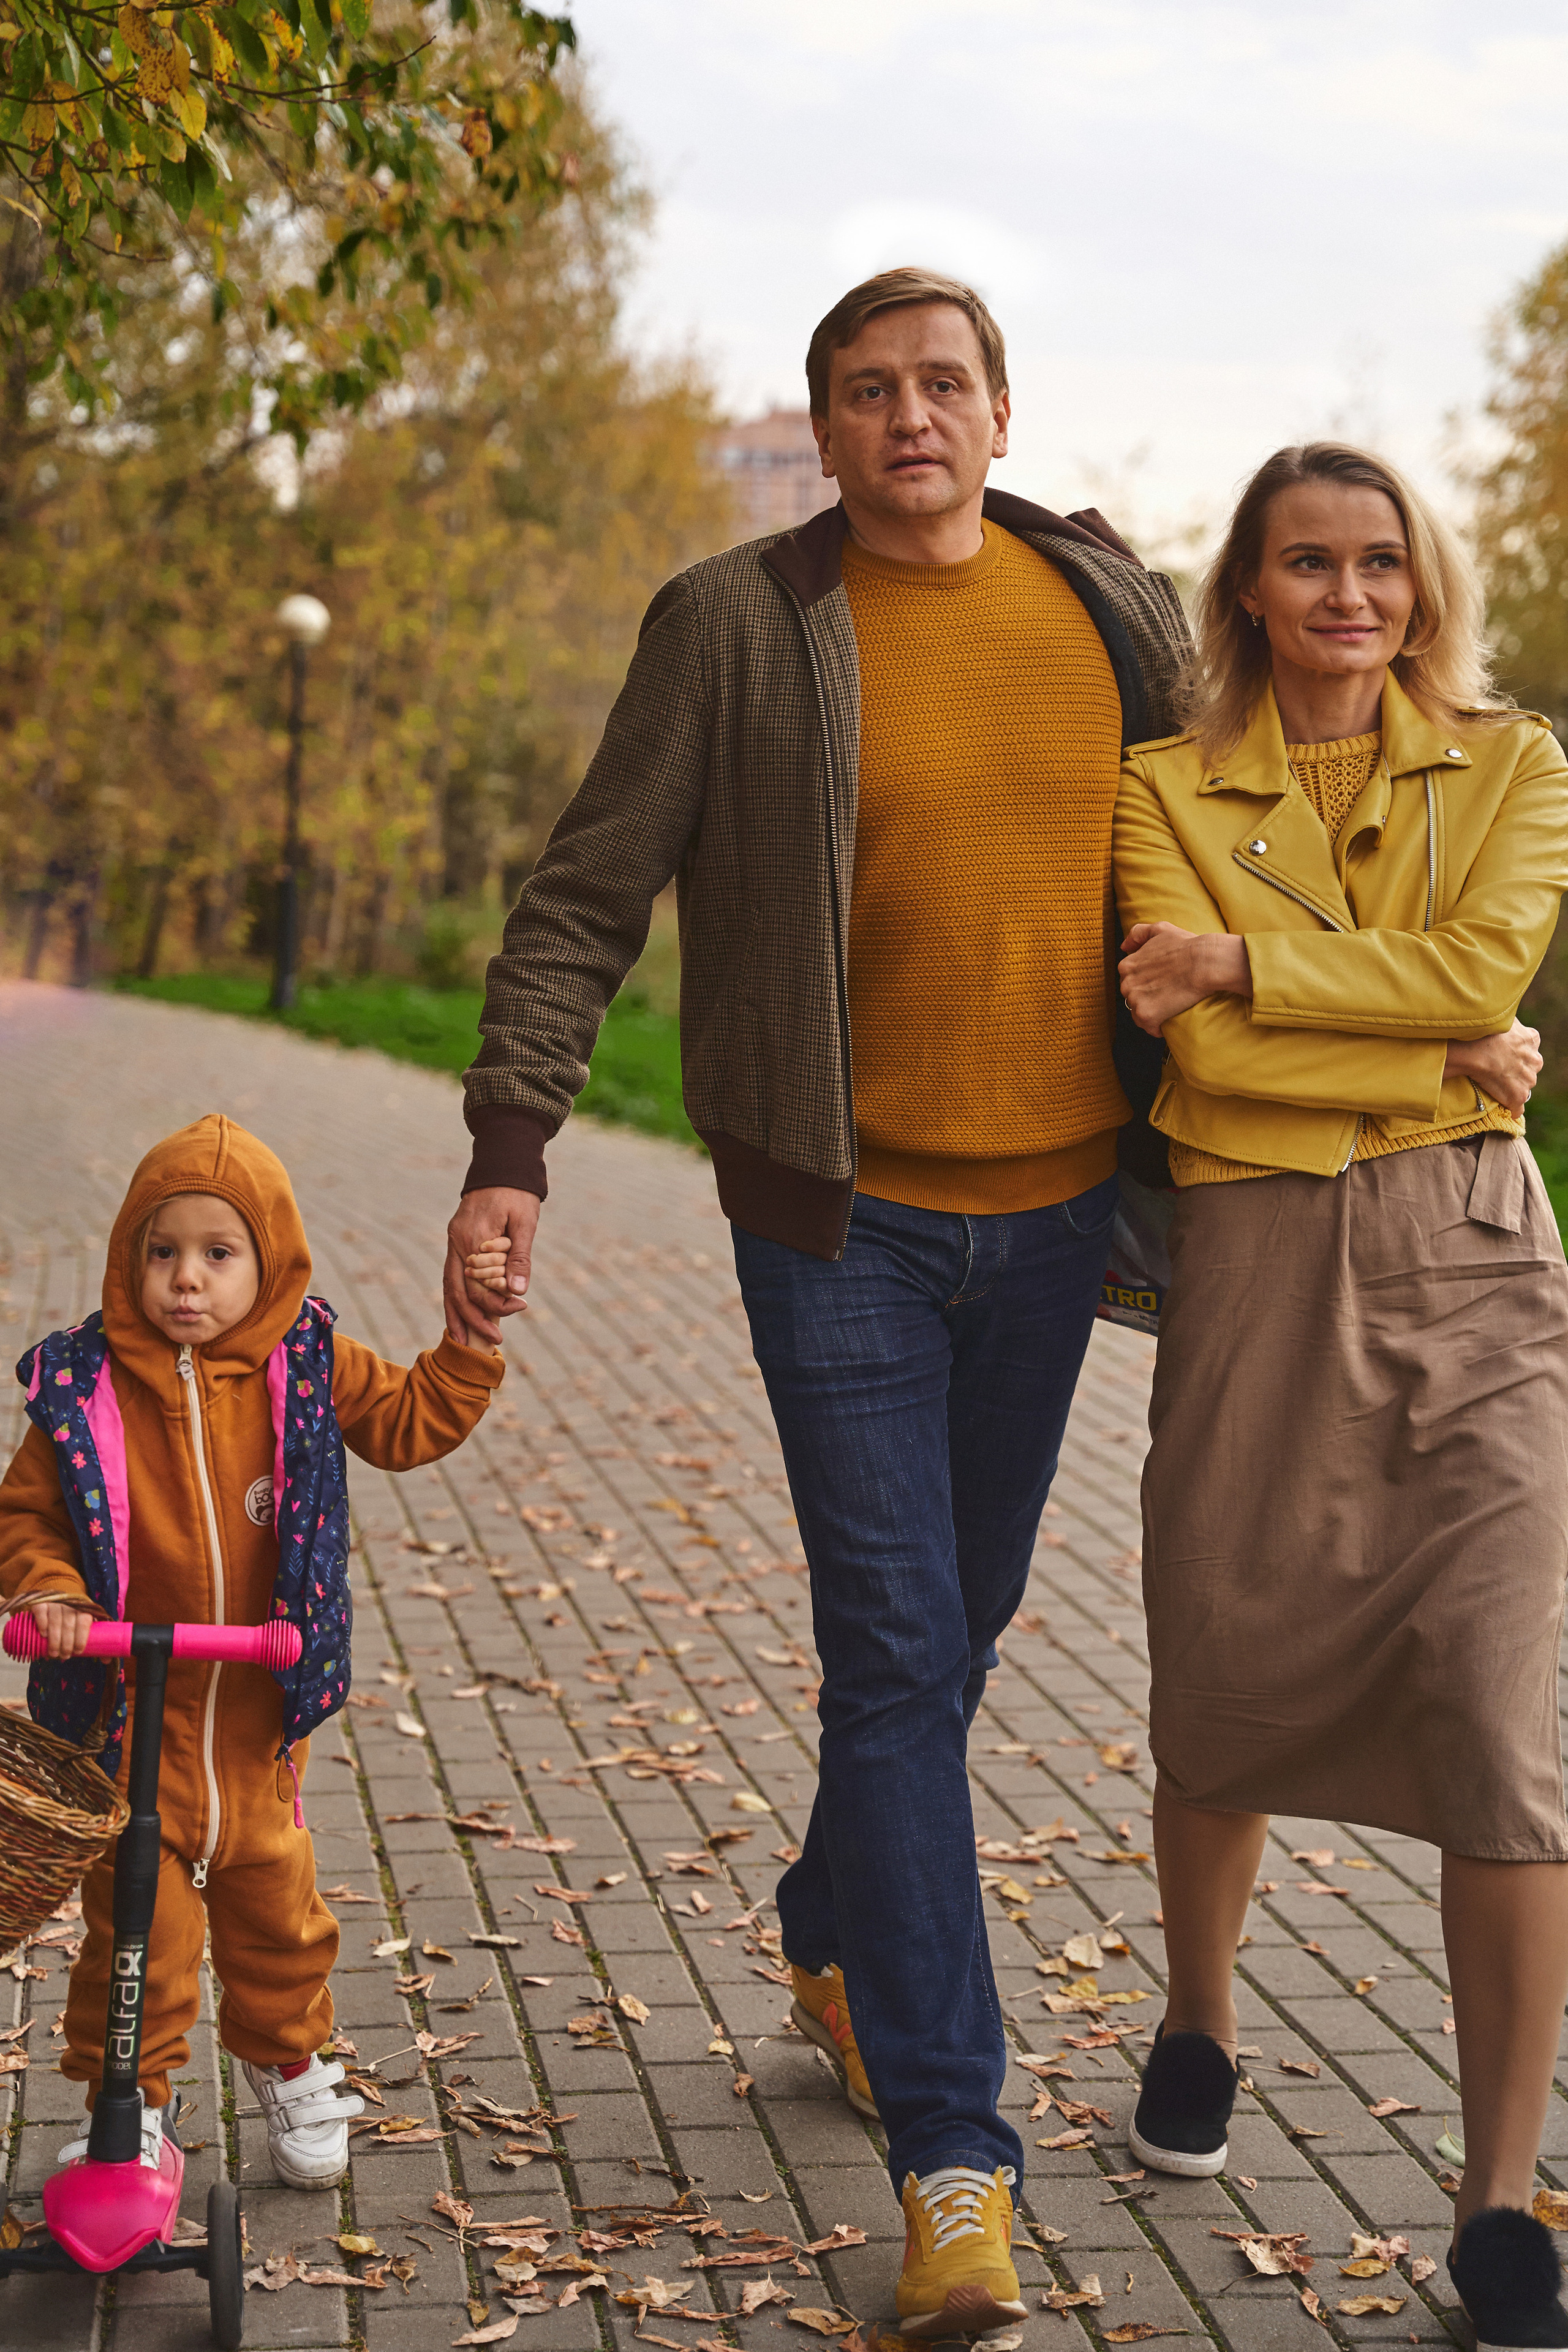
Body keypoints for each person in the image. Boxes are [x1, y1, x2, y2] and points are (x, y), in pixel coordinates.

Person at [443, 265, 1191, 2337]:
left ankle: (828, 1926)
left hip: (1063, 1234)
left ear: (1004, 414)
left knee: (959, 1631)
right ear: (830, 428)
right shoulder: (738, 627)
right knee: (893, 1655)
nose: (910, 418)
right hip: (833, 1225)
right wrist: (512, 1149)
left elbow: (1251, 859)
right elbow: (586, 893)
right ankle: (962, 2167)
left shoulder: (1121, 612)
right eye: (868, 392)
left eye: (943, 383)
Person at [1114, 440, 1568, 2351]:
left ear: (1421, 587)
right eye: (1309, 564)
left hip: (1473, 1259)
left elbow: (1486, 957)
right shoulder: (1157, 788)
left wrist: (1256, 965)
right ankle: (1204, 2021)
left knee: (1498, 1705)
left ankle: (1499, 2200)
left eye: (1382, 563)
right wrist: (1430, 1039)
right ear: (1247, 593)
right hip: (1253, 1260)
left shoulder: (1520, 765)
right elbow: (1196, 1059)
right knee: (1220, 1665)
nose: (1350, 597)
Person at [0, 1114, 502, 2190]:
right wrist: (49, 1590)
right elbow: (29, 1515)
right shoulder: (85, 1388)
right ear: (128, 1256)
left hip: (256, 1731)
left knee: (278, 1916)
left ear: (267, 1262)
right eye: (163, 1250)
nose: (188, 1280)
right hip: (127, 1724)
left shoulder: (307, 1362)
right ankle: (127, 2103)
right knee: (136, 1936)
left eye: (218, 1255)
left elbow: (410, 1420)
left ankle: (288, 2057)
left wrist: (468, 1349)